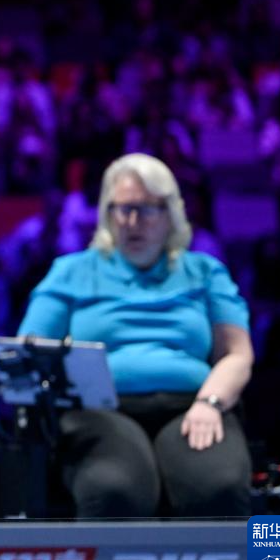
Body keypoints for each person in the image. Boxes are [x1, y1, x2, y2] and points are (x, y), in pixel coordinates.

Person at [18, 153, 253, 517]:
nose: (132, 222)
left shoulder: (206, 272)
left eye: (146, 210)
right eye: (122, 209)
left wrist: (210, 404)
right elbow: (29, 353)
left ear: (170, 214)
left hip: (194, 406)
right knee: (115, 491)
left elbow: (237, 354)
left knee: (219, 487)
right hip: (99, 412)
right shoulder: (71, 272)